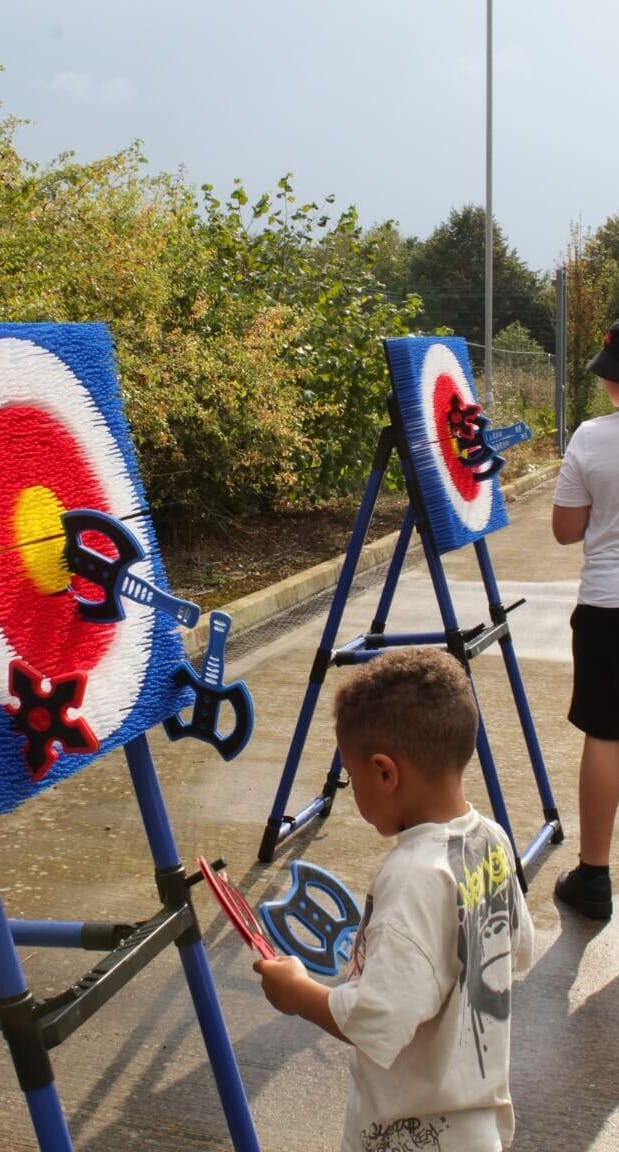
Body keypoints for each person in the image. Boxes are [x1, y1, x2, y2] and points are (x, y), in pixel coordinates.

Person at [254, 647, 533, 1152]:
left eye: (349, 776)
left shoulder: (412, 876)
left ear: (385, 773)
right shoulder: (490, 838)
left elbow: (378, 1021)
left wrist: (298, 993)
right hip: (480, 1126)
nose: (351, 788)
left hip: (414, 1135)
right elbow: (515, 947)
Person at [552, 318, 619, 921]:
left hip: (607, 606)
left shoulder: (591, 438)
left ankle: (594, 876)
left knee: (606, 734)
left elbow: (565, 529)